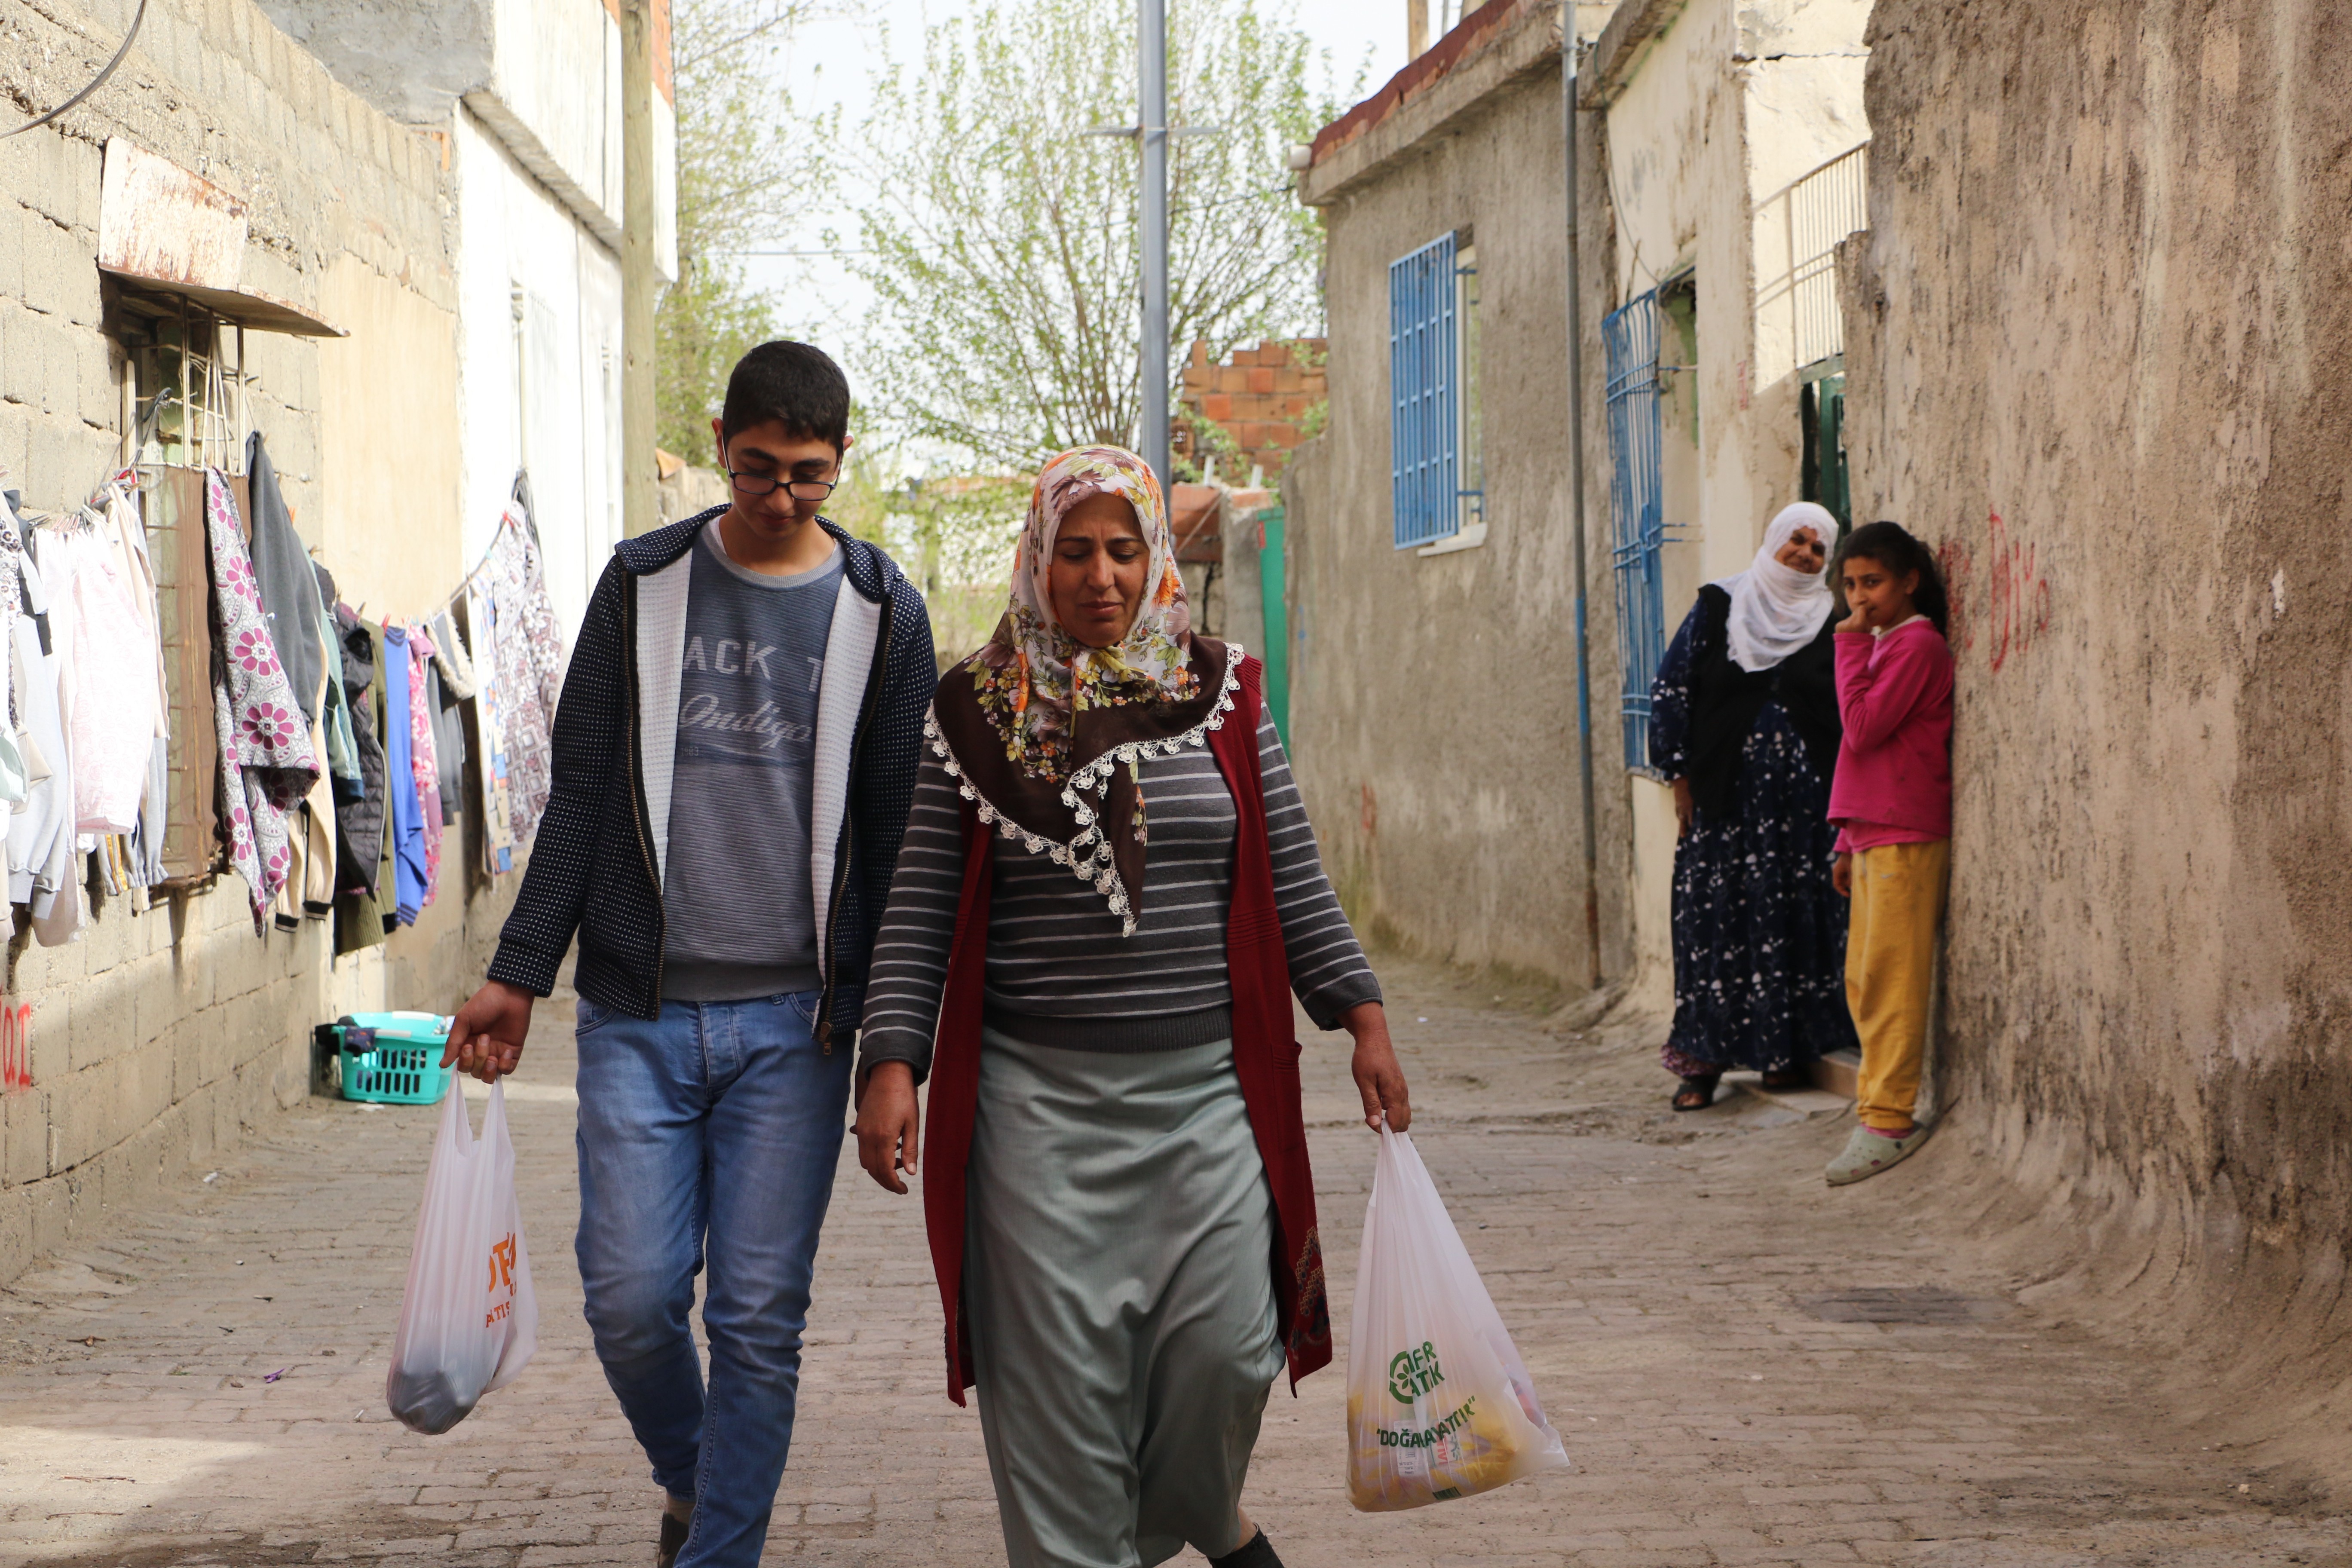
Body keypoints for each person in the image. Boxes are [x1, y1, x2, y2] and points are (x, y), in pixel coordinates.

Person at [851, 445, 1409, 1568]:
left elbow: (1290, 869)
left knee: (1227, 1355)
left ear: (1157, 557)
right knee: (1059, 1412)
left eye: (1124, 548)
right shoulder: (974, 712)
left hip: (1206, 1109)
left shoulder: (1224, 693)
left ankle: (1213, 1519)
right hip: (1036, 1124)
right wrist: (891, 1063)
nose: (1100, 575)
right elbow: (917, 902)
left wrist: (1362, 1016)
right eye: (1074, 549)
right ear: (1036, 558)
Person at [440, 342, 937, 1568]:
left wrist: (892, 1051)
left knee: (760, 1319)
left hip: (797, 1031)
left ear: (841, 463)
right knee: (631, 1298)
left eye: (808, 477)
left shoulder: (883, 610)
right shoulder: (642, 584)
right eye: (759, 469)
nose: (779, 499)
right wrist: (518, 968)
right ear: (720, 442)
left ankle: (718, 1548)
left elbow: (900, 841)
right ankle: (696, 1476)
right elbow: (579, 799)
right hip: (638, 1013)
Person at [1649, 502, 1858, 1110]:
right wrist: (1679, 775)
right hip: (1724, 802)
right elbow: (1673, 688)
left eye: (1818, 549)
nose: (1805, 555)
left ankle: (1782, 1055)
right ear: (1773, 540)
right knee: (1715, 922)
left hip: (1805, 810)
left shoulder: (1832, 620)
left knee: (1795, 919)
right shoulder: (1721, 605)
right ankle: (1703, 1064)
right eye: (1796, 541)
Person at [1822, 521, 1954, 1185]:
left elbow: (1865, 729)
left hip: (1906, 828)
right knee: (1865, 978)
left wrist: (1846, 647)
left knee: (1894, 980)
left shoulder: (1918, 646)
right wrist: (1845, 840)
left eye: (1872, 582)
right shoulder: (1885, 645)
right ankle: (1874, 1105)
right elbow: (1858, 752)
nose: (1860, 598)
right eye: (1849, 585)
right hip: (1873, 830)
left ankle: (1889, 1117)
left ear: (1910, 582)